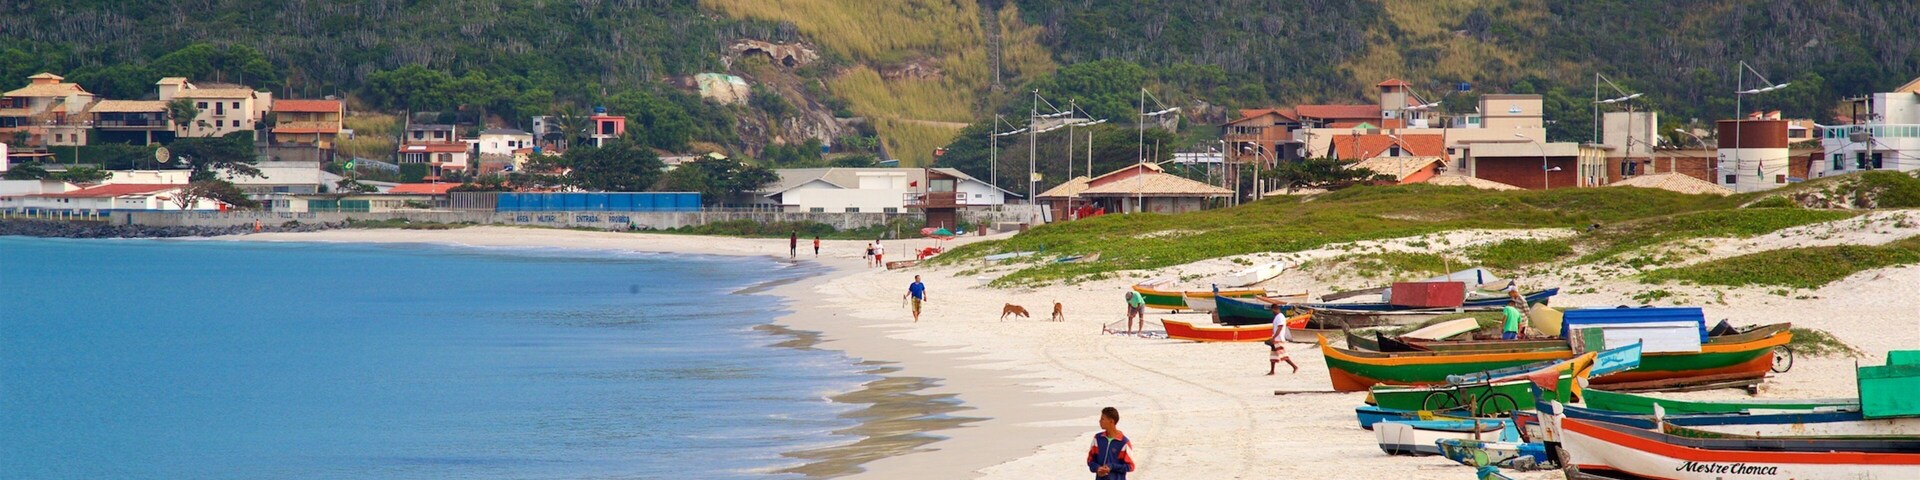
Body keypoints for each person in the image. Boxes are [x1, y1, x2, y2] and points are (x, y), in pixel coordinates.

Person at [1086, 407, 1135, 479]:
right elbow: (1090, 460)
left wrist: (1112, 466)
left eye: (1102, 419)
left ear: (1111, 421)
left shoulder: (1124, 442)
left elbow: (1130, 466)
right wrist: (1097, 468)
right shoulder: (1097, 438)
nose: (1099, 421)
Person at [1266, 304, 1299, 375]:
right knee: (1273, 355)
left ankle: (1294, 366)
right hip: (1276, 338)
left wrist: (1274, 337)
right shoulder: (1277, 317)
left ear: (1275, 309)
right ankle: (1272, 371)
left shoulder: (1280, 317)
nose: (1272, 312)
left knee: (1283, 354)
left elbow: (1280, 327)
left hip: (1278, 338)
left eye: (1272, 310)